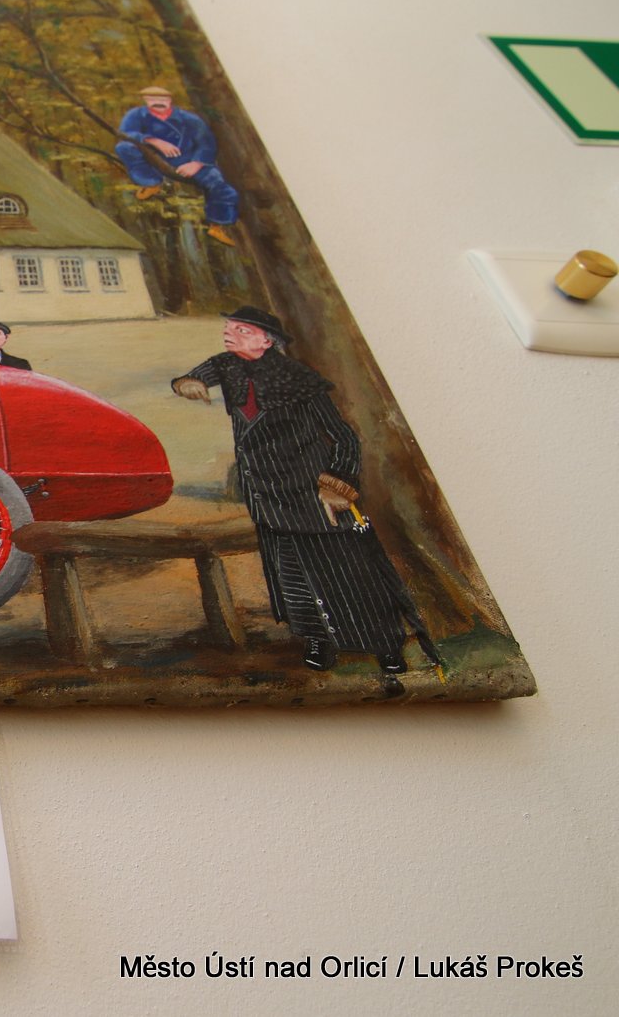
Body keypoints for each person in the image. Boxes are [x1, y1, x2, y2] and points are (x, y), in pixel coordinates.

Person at [171, 307, 437, 675]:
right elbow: (198, 375)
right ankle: (317, 640)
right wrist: (187, 382)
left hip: (314, 495)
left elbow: (344, 437)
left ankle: (385, 647)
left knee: (345, 572)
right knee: (291, 576)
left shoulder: (298, 380)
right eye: (230, 327)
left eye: (242, 330)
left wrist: (337, 484)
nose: (230, 332)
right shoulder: (229, 365)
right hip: (266, 495)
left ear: (267, 341)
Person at [116, 85, 240, 248]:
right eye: (152, 99)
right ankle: (151, 183)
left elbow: (207, 143)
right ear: (146, 100)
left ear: (170, 100)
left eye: (162, 99)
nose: (158, 102)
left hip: (189, 161)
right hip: (155, 159)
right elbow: (124, 134)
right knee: (124, 147)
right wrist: (152, 140)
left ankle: (217, 226)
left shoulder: (189, 119)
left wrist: (196, 163)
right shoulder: (136, 115)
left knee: (220, 185)